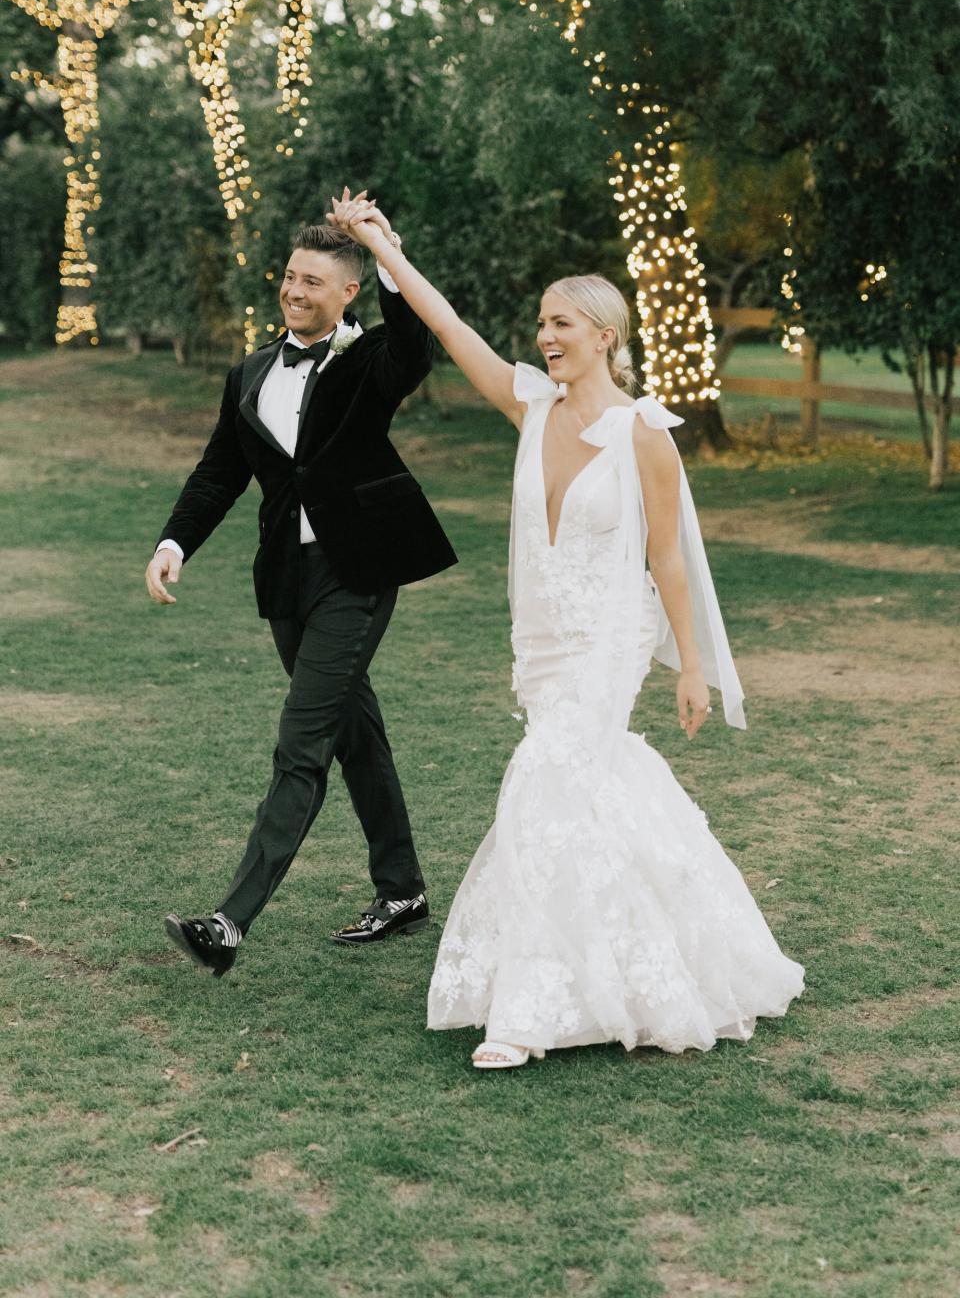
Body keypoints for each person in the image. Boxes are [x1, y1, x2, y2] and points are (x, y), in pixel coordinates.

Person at [328, 191, 805, 1070]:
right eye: (541, 322)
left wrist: (689, 666)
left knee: (542, 784)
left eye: (562, 324)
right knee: (592, 791)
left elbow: (668, 560)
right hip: (543, 644)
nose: (546, 336)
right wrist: (384, 247)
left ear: (605, 336)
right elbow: (446, 322)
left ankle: (527, 1010)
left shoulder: (644, 435)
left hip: (610, 640)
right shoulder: (529, 406)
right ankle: (678, 949)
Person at [144, 196, 457, 976]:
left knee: (303, 741)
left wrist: (382, 245)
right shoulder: (249, 372)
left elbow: (417, 342)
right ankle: (404, 890)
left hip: (358, 575)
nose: (296, 291)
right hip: (289, 580)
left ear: (348, 291)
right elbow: (221, 471)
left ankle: (229, 923)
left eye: (315, 281)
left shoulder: (369, 362)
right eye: (290, 277)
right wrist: (175, 540)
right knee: (356, 734)